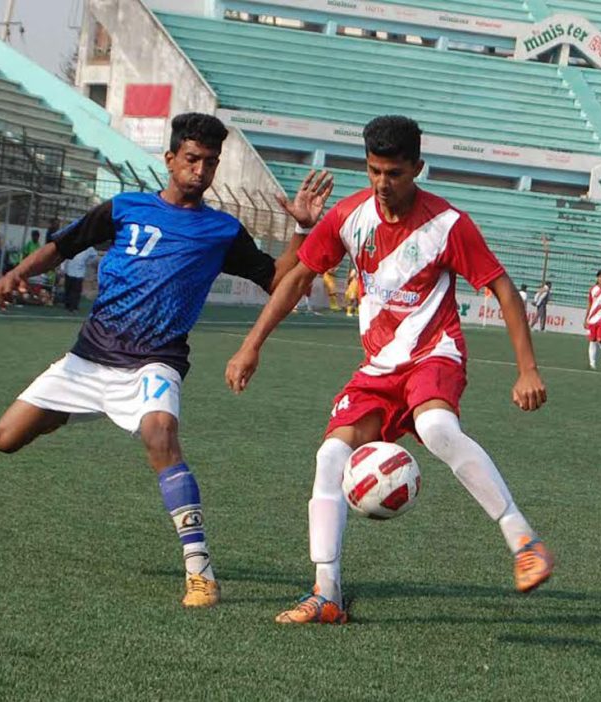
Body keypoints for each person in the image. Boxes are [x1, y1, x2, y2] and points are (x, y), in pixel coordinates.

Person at [0, 113, 333, 609]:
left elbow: (277, 279)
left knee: (160, 435)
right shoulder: (124, 208)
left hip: (156, 359)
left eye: (210, 163)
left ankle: (200, 571)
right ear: (170, 160)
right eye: (192, 159)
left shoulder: (221, 230)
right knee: (5, 439)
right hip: (89, 357)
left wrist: (303, 230)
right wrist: (14, 274)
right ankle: (70, 409)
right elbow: (63, 247)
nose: (200, 170)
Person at [225, 115, 552, 625]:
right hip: (378, 368)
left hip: (433, 353)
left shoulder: (448, 225)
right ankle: (327, 593)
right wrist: (252, 345)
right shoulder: (348, 216)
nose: (382, 183)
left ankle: (523, 540)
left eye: (395, 173)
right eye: (375, 170)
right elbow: (294, 281)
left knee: (436, 427)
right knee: (331, 454)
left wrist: (526, 369)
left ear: (417, 168)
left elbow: (504, 289)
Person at [62, 245, 98, 312]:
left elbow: (94, 255)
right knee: (68, 289)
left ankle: (74, 307)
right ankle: (67, 305)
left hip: (79, 272)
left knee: (76, 291)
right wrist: (63, 268)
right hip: (69, 270)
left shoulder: (88, 248)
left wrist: (88, 262)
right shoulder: (72, 245)